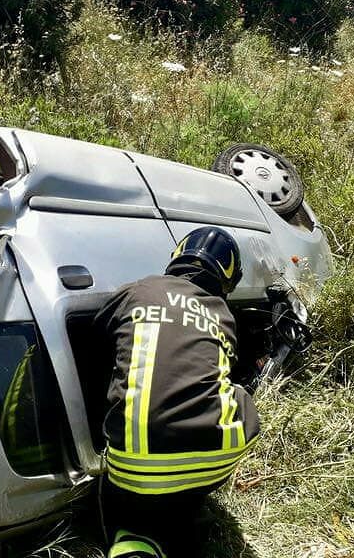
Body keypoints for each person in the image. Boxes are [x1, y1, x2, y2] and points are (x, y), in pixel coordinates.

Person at [94, 226, 260, 558]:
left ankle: (133, 540)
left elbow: (95, 341)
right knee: (238, 392)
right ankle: (182, 507)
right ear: (229, 279)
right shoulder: (222, 314)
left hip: (133, 466)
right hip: (215, 461)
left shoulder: (140, 290)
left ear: (176, 257)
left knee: (129, 516)